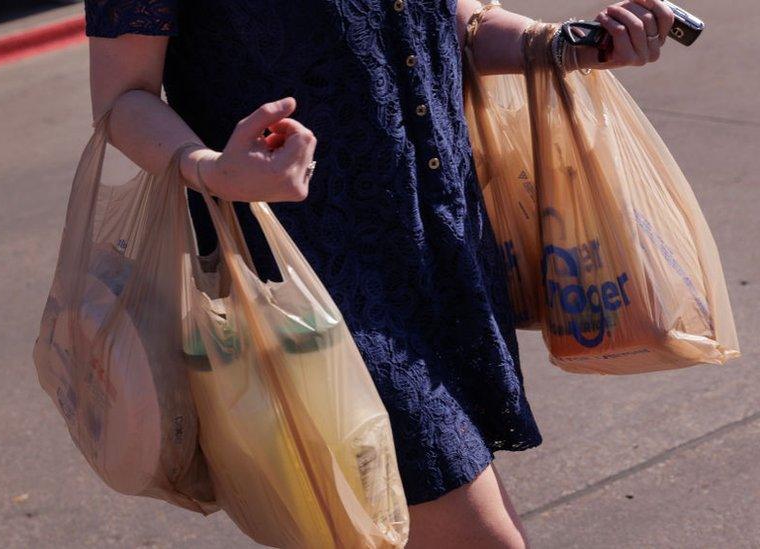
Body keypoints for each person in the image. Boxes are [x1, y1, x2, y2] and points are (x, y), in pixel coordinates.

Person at [84, 0, 675, 546]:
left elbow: (452, 21)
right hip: (307, 280)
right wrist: (210, 168)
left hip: (436, 245)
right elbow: (123, 96)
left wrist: (565, 43)